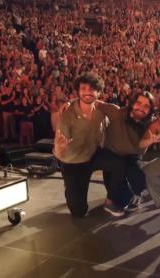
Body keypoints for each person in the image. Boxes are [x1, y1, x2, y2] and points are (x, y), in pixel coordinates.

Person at [53, 73, 127, 217]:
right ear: (78, 91)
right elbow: (59, 148)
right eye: (83, 88)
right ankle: (71, 188)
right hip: (73, 162)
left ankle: (110, 201)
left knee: (119, 163)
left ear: (98, 92)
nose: (87, 92)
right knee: (78, 211)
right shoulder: (67, 114)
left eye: (92, 89)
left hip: (93, 155)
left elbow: (119, 112)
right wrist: (58, 150)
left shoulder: (101, 110)